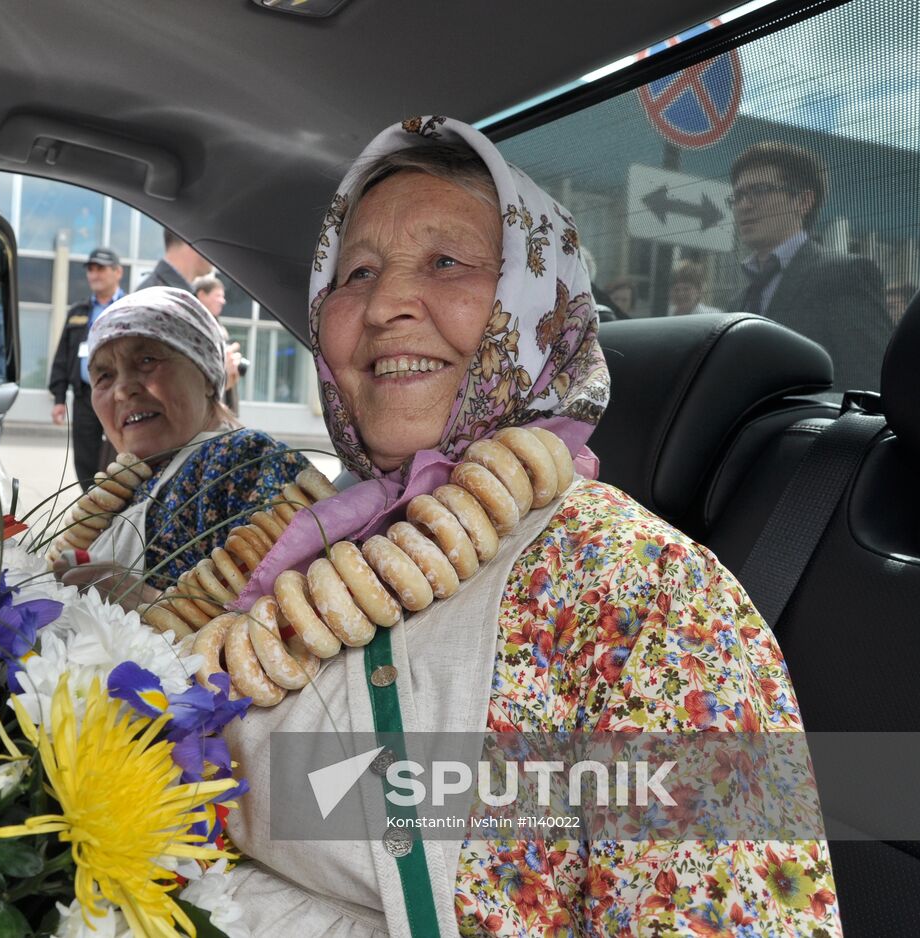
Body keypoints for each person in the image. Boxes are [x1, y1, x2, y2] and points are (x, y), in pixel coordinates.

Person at [219, 118, 839, 936]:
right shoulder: (307, 547)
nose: (384, 305)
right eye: (356, 272)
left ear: (536, 303)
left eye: (447, 262)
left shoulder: (644, 593)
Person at [58, 286, 311, 597]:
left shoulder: (245, 459)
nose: (122, 390)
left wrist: (142, 600)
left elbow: (281, 605)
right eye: (103, 376)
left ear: (206, 374)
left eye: (147, 360)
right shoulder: (126, 485)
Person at [729, 141, 887, 392]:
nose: (743, 205)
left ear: (803, 201)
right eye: (737, 196)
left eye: (759, 190)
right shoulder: (737, 303)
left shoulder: (844, 275)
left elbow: (870, 388)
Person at [49, 247, 126, 488]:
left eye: (100, 269)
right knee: (84, 457)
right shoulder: (79, 311)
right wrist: (59, 398)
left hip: (120, 395)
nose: (94, 274)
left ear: (118, 272)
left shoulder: (130, 308)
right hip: (85, 396)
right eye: (91, 269)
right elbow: (63, 356)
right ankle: (91, 499)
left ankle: (117, 503)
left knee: (120, 453)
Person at [192, 272, 243, 413]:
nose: (223, 301)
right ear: (202, 295)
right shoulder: (193, 327)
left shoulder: (217, 326)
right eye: (218, 296)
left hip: (222, 402)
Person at [137, 227, 213, 291]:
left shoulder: (160, 292)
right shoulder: (155, 296)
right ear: (190, 242)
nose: (213, 252)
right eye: (209, 244)